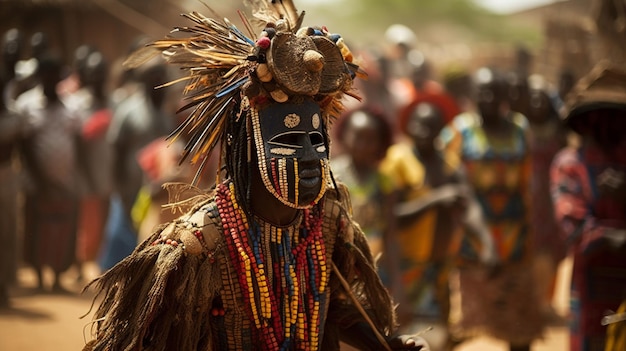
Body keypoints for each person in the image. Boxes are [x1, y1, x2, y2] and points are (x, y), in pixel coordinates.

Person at [81, 2, 429, 351]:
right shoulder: (199, 246)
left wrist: (385, 343)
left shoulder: (327, 225)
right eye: (289, 140)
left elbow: (336, 310)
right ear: (250, 145)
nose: (310, 158)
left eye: (317, 140)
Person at [441, 67, 544, 351]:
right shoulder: (459, 131)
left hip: (515, 241)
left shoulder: (520, 129)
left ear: (505, 96)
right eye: (482, 91)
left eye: (494, 92)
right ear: (473, 95)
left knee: (519, 329)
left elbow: (527, 184)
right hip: (471, 244)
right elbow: (454, 184)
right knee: (463, 327)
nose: (487, 97)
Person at [380, 97, 494, 349]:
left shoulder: (449, 163)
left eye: (431, 126)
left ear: (441, 129)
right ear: (408, 126)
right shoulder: (397, 159)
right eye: (418, 124)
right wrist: (434, 199)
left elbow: (468, 205)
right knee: (401, 338)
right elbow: (389, 217)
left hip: (439, 270)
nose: (424, 131)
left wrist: (486, 244)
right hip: (403, 269)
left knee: (437, 337)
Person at [550, 61, 626, 351]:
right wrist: (613, 235)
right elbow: (575, 229)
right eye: (602, 117)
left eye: (616, 117)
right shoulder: (570, 164)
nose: (611, 126)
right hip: (592, 291)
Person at [15, 53, 84, 292]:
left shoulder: (73, 105)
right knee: (37, 228)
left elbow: (78, 143)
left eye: (55, 75)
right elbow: (25, 147)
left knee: (62, 230)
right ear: (40, 77)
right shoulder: (26, 105)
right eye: (46, 75)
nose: (50, 79)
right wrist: (41, 180)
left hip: (66, 181)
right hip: (36, 183)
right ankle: (38, 278)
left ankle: (56, 278)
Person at [525, 74, 568, 325]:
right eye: (534, 99)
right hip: (530, 201)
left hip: (552, 199)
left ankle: (546, 302)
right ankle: (533, 302)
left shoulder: (559, 132)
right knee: (531, 250)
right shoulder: (521, 128)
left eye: (542, 99)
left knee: (552, 251)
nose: (537, 103)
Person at [331, 106, 394, 262]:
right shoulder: (331, 175)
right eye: (358, 137)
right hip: (338, 263)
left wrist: (395, 278)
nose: (363, 145)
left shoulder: (383, 181)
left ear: (381, 143)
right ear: (344, 135)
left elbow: (390, 231)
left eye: (370, 139)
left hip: (373, 263)